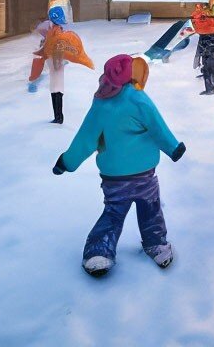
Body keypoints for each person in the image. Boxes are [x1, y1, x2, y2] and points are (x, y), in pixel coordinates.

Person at [53, 54, 186, 277]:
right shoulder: (137, 98)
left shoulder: (102, 102)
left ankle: (100, 251)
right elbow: (158, 127)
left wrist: (67, 161)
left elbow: (85, 138)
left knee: (115, 212)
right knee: (150, 209)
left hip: (118, 175)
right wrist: (173, 148)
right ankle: (156, 244)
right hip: (142, 174)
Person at [27, 0, 93, 123]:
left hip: (55, 60)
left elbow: (41, 31)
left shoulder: (52, 30)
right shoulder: (58, 31)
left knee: (56, 86)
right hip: (57, 60)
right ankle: (58, 116)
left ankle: (58, 117)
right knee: (57, 85)